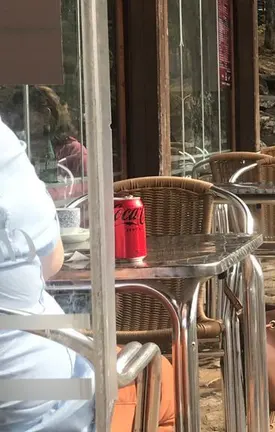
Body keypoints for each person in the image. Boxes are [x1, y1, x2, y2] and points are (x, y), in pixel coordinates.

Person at [0, 116, 174, 431]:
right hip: (51, 406)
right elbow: (52, 262)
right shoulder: (6, 149)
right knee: (166, 379)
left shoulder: (70, 152)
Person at [5, 85, 88, 177]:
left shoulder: (73, 153)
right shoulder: (16, 151)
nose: (16, 122)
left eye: (23, 115)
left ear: (45, 115)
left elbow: (89, 187)